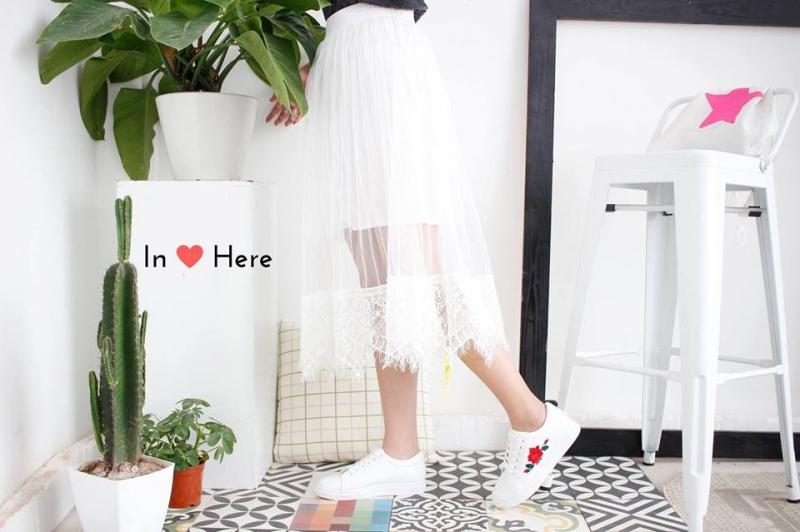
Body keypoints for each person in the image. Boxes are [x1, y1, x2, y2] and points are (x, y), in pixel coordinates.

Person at [267, 0, 580, 509]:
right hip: (350, 60)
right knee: (381, 280)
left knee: (415, 275)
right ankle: (400, 453)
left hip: (380, 59)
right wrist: (313, 61)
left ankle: (532, 418)